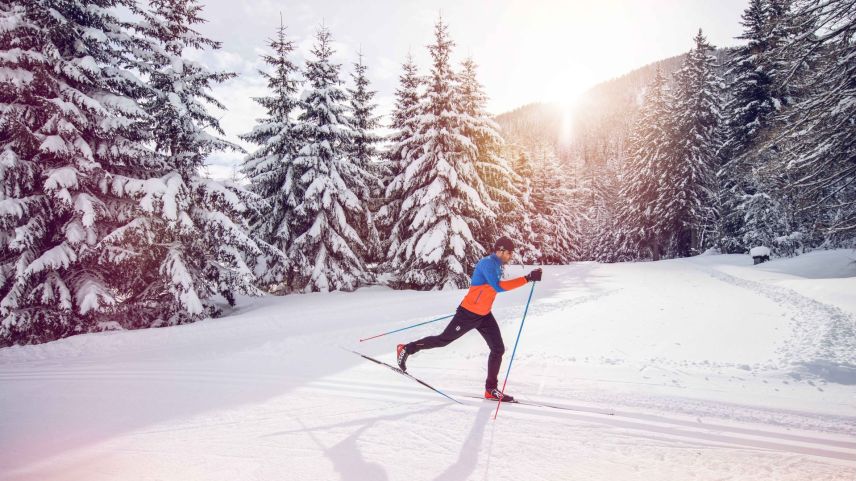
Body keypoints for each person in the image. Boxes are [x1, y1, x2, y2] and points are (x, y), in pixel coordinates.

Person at [396, 236, 542, 402]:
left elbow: (490, 289)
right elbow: (498, 287)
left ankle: (491, 390)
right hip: (468, 313)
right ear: (500, 250)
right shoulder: (487, 263)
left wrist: (530, 277)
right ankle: (407, 349)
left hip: (484, 315)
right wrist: (527, 278)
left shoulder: (498, 265)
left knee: (498, 349)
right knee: (443, 340)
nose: (510, 256)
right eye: (509, 253)